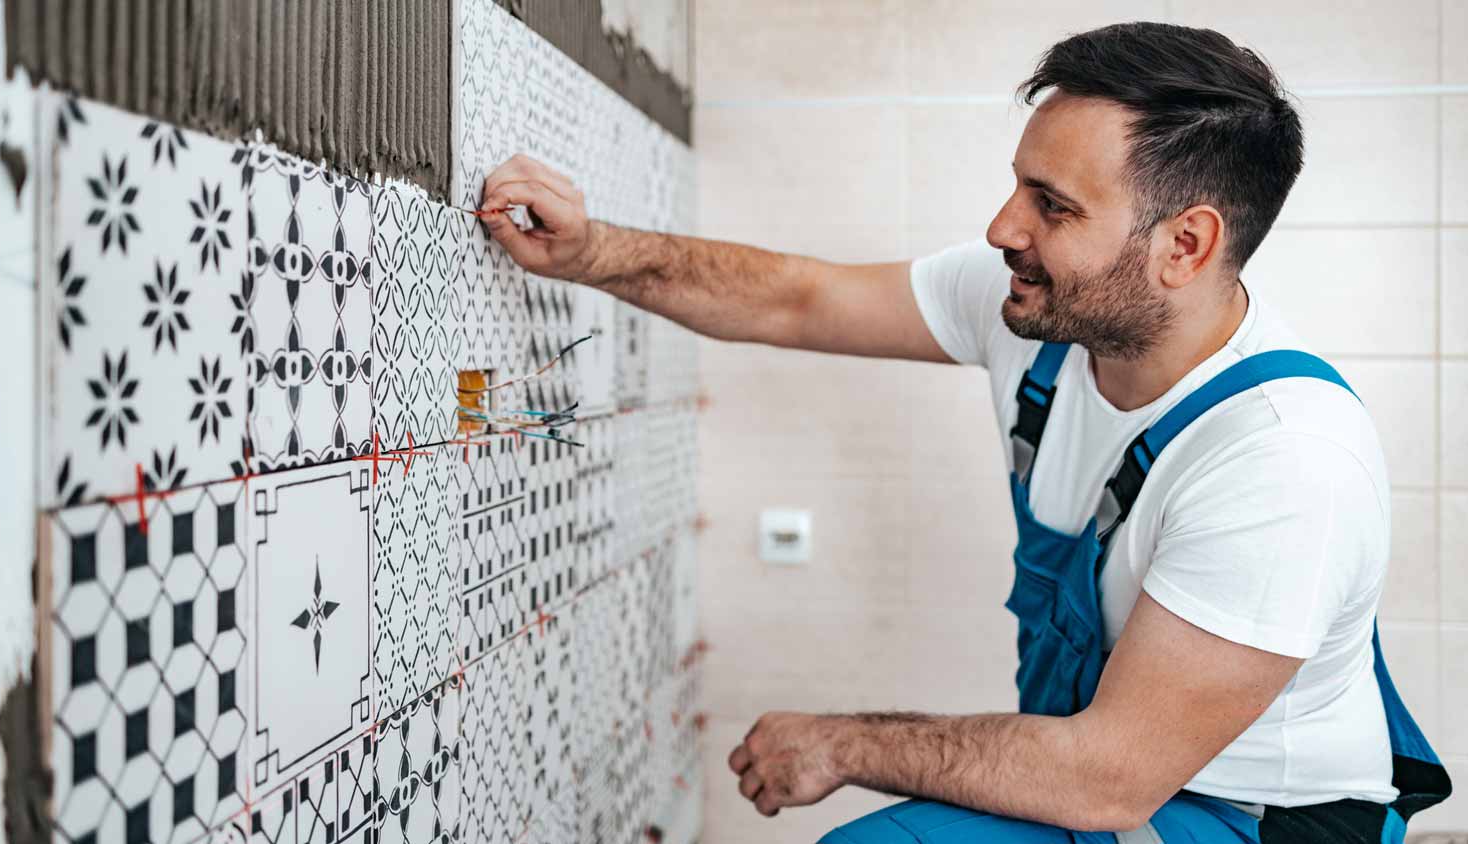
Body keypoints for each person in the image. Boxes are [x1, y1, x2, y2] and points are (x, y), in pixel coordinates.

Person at [477, 21, 1450, 844]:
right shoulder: (1035, 310)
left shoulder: (1283, 461)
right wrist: (595, 249)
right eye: (1020, 185)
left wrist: (845, 741)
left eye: (1052, 206)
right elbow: (800, 298)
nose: (1000, 227)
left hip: (1255, 813)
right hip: (1114, 771)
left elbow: (1106, 779)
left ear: (1183, 246)